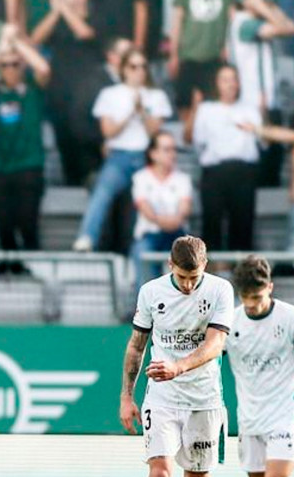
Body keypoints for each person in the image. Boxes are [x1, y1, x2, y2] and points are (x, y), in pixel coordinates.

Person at [120, 235, 233, 477]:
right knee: (159, 475)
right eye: (183, 277)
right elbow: (137, 346)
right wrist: (126, 396)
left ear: (205, 267)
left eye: (194, 277)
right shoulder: (151, 292)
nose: (188, 284)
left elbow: (215, 345)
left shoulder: (219, 291)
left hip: (204, 400)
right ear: (170, 265)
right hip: (163, 398)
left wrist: (178, 367)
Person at [226, 255, 294, 477]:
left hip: (286, 416)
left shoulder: (289, 318)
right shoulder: (231, 323)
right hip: (250, 419)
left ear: (270, 287)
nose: (251, 305)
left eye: (257, 297)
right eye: (245, 298)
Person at [72, 48, 171, 252]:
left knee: (143, 208)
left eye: (143, 66)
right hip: (119, 156)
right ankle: (86, 236)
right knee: (102, 193)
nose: (139, 71)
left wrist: (142, 111)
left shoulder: (156, 95)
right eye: (133, 66)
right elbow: (108, 132)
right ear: (124, 69)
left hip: (147, 158)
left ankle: (143, 248)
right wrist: (129, 112)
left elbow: (154, 133)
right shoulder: (110, 94)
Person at [0, 24, 49, 271]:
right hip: (1, 166)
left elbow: (43, 68)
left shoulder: (32, 90)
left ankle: (32, 263)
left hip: (30, 164)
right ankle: (9, 263)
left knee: (28, 221)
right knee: (4, 222)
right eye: (5, 65)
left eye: (15, 64)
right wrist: (1, 50)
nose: (10, 69)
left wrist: (16, 44)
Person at [189, 64, 261, 251]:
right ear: (217, 84)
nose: (230, 84)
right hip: (215, 171)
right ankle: (211, 273)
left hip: (244, 171)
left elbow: (264, 142)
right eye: (225, 80)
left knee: (243, 223)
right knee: (211, 222)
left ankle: (242, 274)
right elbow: (198, 141)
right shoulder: (206, 109)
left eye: (233, 79)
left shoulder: (250, 110)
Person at [30, 0, 99, 185]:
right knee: (63, 136)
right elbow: (36, 38)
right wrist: (55, 13)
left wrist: (64, 9)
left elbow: (85, 33)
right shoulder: (57, 18)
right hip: (60, 84)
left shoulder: (96, 11)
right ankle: (71, 180)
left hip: (88, 86)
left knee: (86, 136)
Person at [230, 0, 294, 187]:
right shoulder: (243, 23)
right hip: (254, 102)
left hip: (266, 100)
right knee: (262, 162)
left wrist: (270, 8)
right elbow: (286, 29)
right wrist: (263, 7)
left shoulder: (256, 20)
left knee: (272, 160)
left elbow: (289, 26)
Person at [131, 131, 192, 295]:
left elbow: (184, 209)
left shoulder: (182, 179)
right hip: (149, 234)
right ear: (153, 153)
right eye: (167, 149)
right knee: (140, 251)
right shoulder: (141, 178)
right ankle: (144, 308)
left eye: (174, 149)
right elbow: (145, 209)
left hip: (177, 236)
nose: (172, 154)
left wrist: (174, 221)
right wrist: (163, 221)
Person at [168, 0, 232, 124]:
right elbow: (177, 23)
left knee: (213, 104)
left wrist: (227, 45)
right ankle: (187, 138)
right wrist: (173, 55)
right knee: (184, 103)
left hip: (214, 57)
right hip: (187, 57)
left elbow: (232, 17)